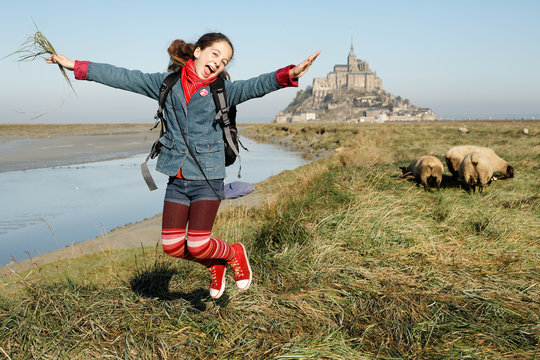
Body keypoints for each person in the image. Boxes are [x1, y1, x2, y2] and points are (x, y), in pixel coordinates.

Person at [47, 32, 320, 299]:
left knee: (200, 244)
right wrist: (76, 66)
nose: (218, 62)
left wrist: (290, 75)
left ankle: (233, 253)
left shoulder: (222, 90)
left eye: (224, 61)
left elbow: (256, 85)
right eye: (215, 54)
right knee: (173, 246)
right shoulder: (167, 84)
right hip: (176, 178)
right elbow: (123, 77)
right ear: (198, 52)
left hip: (208, 178)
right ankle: (216, 264)